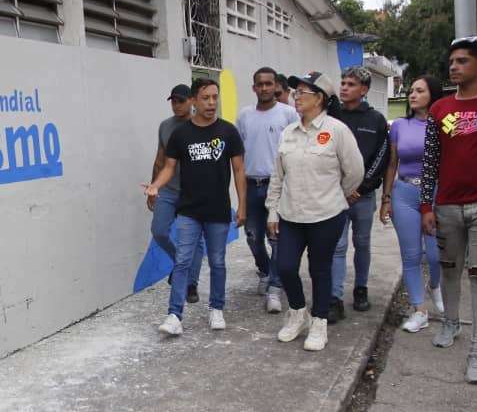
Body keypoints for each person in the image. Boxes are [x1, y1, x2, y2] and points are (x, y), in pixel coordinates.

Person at [421, 36, 477, 385]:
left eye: (462, 61)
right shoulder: (439, 109)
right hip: (447, 205)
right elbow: (431, 162)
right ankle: (451, 322)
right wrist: (426, 205)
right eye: (451, 62)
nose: (454, 67)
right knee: (449, 269)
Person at [266, 72, 364, 351]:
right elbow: (278, 176)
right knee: (285, 266)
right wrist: (273, 210)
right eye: (295, 92)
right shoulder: (289, 132)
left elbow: (355, 172)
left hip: (326, 215)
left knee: (320, 269)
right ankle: (298, 313)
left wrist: (337, 195)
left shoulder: (337, 131)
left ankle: (319, 322)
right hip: (291, 215)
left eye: (303, 93)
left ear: (320, 98)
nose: (296, 97)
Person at [145, 78, 247, 335]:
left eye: (215, 97)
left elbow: (238, 170)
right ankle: (174, 315)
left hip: (218, 210)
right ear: (194, 101)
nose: (212, 103)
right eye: (206, 98)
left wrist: (242, 206)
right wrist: (155, 185)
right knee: (182, 261)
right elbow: (168, 167)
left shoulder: (228, 131)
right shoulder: (180, 134)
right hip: (189, 210)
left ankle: (216, 308)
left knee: (218, 262)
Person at [379, 75, 445, 332]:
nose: (413, 95)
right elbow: (392, 163)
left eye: (419, 91)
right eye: (411, 91)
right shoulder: (400, 125)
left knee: (435, 255)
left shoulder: (443, 123)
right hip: (404, 192)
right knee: (411, 255)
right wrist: (386, 198)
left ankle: (435, 285)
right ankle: (419, 310)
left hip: (436, 193)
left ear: (433, 94)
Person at [328, 66, 390, 322]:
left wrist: (361, 188)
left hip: (363, 197)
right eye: (342, 83)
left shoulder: (375, 120)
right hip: (335, 195)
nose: (344, 87)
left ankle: (361, 288)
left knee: (362, 243)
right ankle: (334, 298)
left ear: (364, 90)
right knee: (337, 246)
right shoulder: (332, 115)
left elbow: (381, 158)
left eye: (351, 84)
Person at [236, 67, 300, 314]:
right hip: (252, 185)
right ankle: (264, 271)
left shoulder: (289, 114)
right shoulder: (244, 116)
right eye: (259, 84)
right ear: (254, 87)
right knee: (253, 236)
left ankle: (274, 287)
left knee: (278, 238)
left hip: (279, 187)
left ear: (276, 86)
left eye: (268, 84)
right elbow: (238, 156)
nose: (264, 88)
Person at [148, 84, 207, 303]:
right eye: (173, 101)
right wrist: (153, 188)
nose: (176, 105)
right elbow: (159, 159)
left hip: (193, 193)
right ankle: (181, 265)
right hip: (169, 190)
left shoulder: (201, 125)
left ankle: (191, 284)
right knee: (159, 231)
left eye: (180, 101)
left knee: (195, 240)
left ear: (191, 101)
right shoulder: (165, 126)